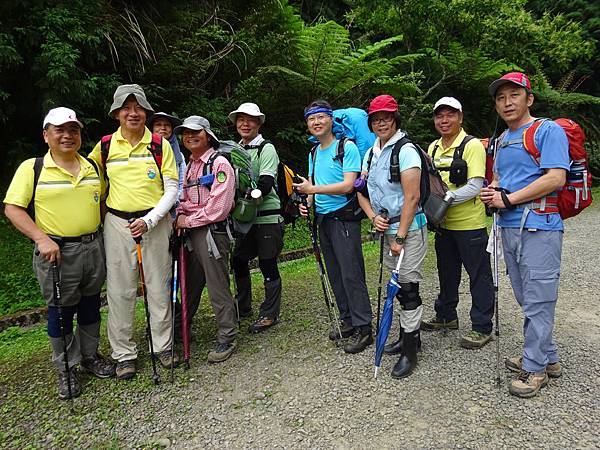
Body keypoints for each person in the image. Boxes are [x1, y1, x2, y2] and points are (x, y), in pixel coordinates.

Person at [4, 107, 115, 399]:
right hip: (57, 251)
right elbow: (13, 208)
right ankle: (67, 367)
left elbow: (101, 200)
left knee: (91, 305)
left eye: (73, 129)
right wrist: (41, 238)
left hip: (93, 247)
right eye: (59, 130)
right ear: (46, 135)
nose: (68, 135)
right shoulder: (33, 167)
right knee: (61, 310)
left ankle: (90, 357)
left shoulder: (92, 166)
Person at [480, 72, 569, 398]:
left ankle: (534, 368)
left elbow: (556, 178)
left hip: (540, 227)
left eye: (513, 95)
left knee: (539, 299)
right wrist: (493, 192)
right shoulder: (502, 140)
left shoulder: (547, 130)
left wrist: (509, 198)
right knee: (526, 298)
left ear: (528, 99)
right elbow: (502, 180)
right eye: (500, 97)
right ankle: (550, 357)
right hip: (508, 228)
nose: (507, 102)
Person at [88, 84, 179, 380]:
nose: (133, 113)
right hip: (116, 224)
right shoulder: (104, 147)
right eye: (126, 108)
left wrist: (151, 220)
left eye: (138, 107)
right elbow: (93, 188)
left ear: (146, 112)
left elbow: (172, 188)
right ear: (116, 113)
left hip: (154, 221)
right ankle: (124, 354)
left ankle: (163, 347)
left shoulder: (158, 144)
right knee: (119, 290)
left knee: (158, 285)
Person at [356, 95, 428, 378]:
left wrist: (398, 237)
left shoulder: (406, 150)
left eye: (386, 117)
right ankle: (411, 337)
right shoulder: (371, 152)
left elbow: (413, 197)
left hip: (408, 230)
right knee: (399, 287)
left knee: (407, 288)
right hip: (386, 228)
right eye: (375, 118)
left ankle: (410, 350)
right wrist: (373, 216)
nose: (380, 122)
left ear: (396, 118)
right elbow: (361, 191)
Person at [294, 100, 373, 354]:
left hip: (344, 218)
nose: (316, 123)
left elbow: (348, 185)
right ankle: (347, 319)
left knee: (351, 272)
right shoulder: (314, 152)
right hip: (323, 219)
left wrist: (312, 190)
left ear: (331, 120)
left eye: (321, 117)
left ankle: (364, 327)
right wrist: (306, 201)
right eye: (311, 119)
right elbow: (313, 184)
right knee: (335, 272)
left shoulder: (346, 147)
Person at [420, 97, 495, 349]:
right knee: (447, 273)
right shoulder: (432, 148)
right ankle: (446, 316)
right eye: (439, 115)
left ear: (460, 118)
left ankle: (482, 326)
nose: (444, 120)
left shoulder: (472, 145)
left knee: (479, 275)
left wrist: (446, 200)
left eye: (450, 115)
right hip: (443, 225)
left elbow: (475, 186)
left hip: (470, 225)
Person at [174, 116, 238, 363]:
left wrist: (187, 219)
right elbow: (186, 200)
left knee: (216, 284)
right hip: (191, 232)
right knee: (189, 284)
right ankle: (180, 329)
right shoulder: (189, 165)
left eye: (196, 132)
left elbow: (218, 208)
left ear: (208, 135)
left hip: (212, 233)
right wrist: (182, 212)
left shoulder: (219, 163)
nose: (190, 136)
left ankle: (227, 336)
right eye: (186, 133)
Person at [228, 103, 285, 333]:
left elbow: (266, 182)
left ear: (259, 123)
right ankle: (243, 306)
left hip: (267, 216)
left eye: (250, 119)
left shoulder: (266, 148)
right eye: (241, 119)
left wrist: (242, 195)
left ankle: (270, 313)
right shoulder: (234, 150)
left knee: (267, 263)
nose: (245, 123)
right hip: (244, 217)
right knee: (239, 260)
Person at [148, 112, 186, 204]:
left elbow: (182, 182)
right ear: (152, 129)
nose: (163, 128)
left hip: (172, 205)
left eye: (167, 125)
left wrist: (174, 202)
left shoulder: (179, 155)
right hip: (147, 204)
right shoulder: (143, 150)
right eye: (158, 125)